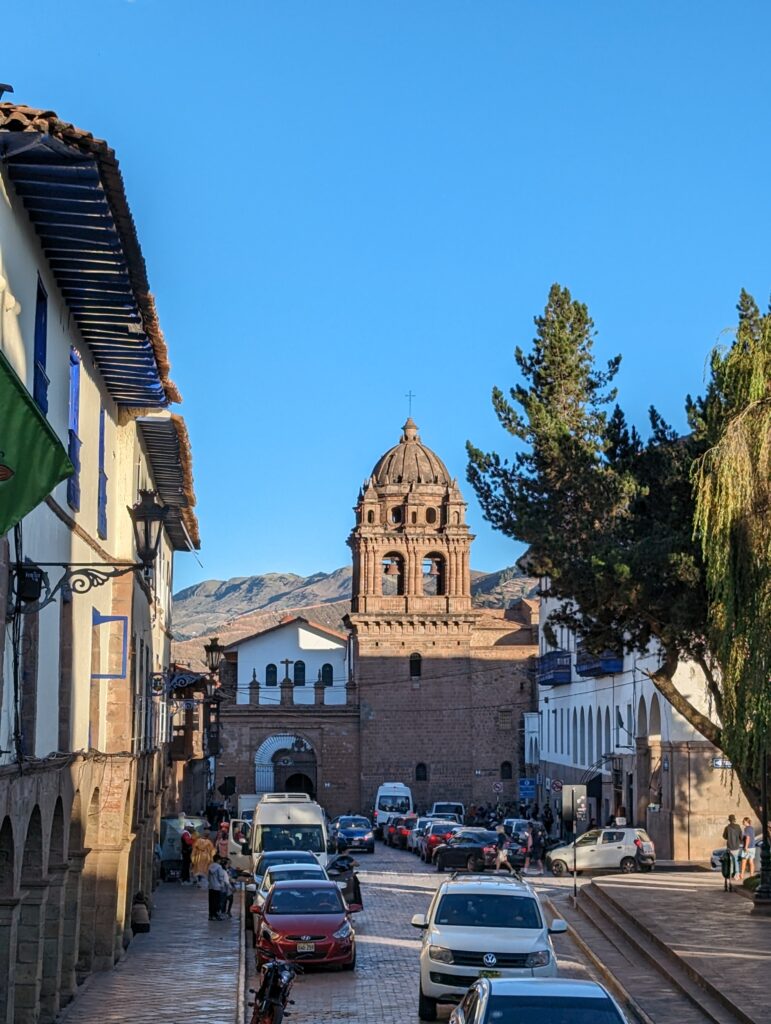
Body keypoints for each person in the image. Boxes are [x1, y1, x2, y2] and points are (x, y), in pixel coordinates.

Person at [207, 855, 230, 920]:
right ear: (218, 860)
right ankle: (216, 915)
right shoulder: (219, 867)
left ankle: (211, 915)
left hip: (211, 887)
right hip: (217, 887)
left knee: (211, 902)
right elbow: (221, 877)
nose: (220, 861)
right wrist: (222, 886)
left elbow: (208, 877)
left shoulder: (210, 866)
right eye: (220, 860)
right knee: (217, 902)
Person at [723, 814, 743, 879]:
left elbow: (724, 836)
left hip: (730, 846)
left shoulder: (727, 828)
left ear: (729, 820)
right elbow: (741, 836)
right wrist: (740, 841)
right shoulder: (738, 827)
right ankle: (736, 874)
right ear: (734, 820)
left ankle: (731, 873)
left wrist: (729, 837)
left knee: (731, 861)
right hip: (736, 846)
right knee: (736, 860)